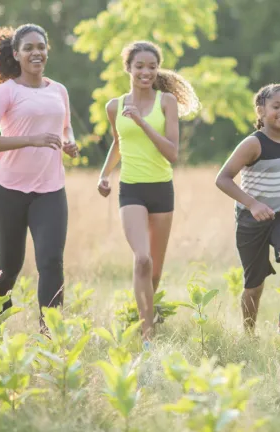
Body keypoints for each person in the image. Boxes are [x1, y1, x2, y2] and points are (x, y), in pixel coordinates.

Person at [0, 24, 78, 335]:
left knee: (51, 261)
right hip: (7, 190)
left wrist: (69, 143)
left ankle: (50, 337)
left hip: (51, 190)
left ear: (47, 51)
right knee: (9, 267)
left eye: (41, 47)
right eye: (29, 47)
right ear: (16, 54)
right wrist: (31, 139)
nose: (36, 52)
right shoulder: (6, 92)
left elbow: (65, 127)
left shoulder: (59, 90)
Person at [97, 41, 200, 344]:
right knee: (142, 260)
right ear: (127, 68)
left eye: (152, 66)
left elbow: (172, 153)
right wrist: (104, 175)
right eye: (139, 66)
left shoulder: (166, 102)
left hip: (161, 191)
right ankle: (147, 338)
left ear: (157, 69)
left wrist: (141, 122)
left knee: (153, 271)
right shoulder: (114, 106)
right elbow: (119, 144)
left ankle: (145, 315)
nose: (146, 71)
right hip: (131, 190)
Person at [215, 84, 280, 338]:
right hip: (252, 219)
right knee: (254, 285)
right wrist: (253, 204)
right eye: (277, 106)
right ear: (260, 111)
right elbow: (223, 178)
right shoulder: (253, 144)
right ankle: (249, 335)